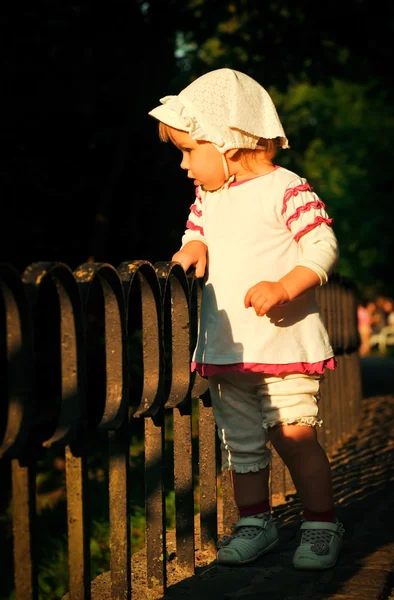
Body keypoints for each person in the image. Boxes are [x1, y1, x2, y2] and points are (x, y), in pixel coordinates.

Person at [149, 68, 344, 570]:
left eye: (190, 151)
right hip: (227, 345)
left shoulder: (286, 188)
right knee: (241, 445)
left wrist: (286, 286)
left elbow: (321, 244)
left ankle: (322, 523)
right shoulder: (208, 199)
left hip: (281, 345)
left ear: (229, 141)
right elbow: (199, 231)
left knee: (293, 433)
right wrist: (194, 244)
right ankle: (256, 522)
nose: (184, 165)